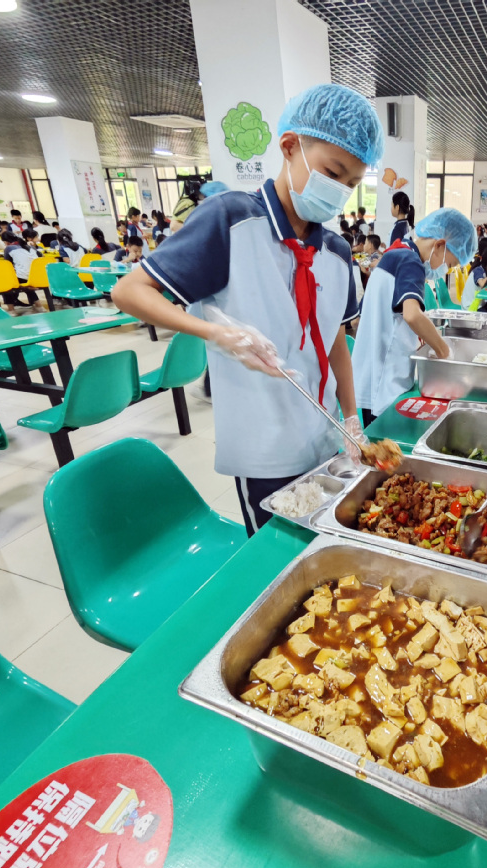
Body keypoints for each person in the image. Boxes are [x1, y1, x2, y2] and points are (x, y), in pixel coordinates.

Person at [112, 83, 382, 534]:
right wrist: (217, 333)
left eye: (352, 184)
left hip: (326, 437)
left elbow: (336, 342)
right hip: (264, 447)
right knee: (276, 560)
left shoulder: (336, 251)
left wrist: (351, 419)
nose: (339, 192)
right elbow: (130, 291)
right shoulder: (230, 220)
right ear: (291, 147)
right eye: (332, 173)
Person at [352, 207, 472, 426]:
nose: (446, 270)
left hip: (375, 374)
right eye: (451, 263)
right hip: (385, 381)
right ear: (440, 245)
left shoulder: (398, 253)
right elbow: (412, 315)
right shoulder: (411, 262)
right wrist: (443, 350)